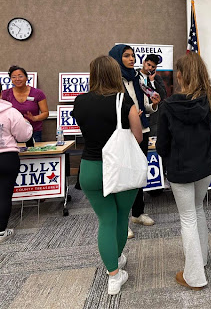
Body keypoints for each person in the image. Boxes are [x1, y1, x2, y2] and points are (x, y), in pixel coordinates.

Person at [156, 53, 211, 290]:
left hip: (180, 169)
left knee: (188, 217)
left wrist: (166, 158)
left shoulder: (168, 105)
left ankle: (194, 275)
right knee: (197, 211)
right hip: (204, 167)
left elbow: (162, 144)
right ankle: (201, 259)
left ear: (180, 75)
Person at [73, 55, 143, 295]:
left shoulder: (80, 101)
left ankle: (113, 273)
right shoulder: (125, 101)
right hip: (121, 167)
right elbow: (138, 136)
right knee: (121, 216)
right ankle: (116, 263)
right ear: (115, 74)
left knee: (106, 220)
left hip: (91, 169)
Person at [109, 45, 161, 238]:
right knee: (123, 176)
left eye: (133, 55)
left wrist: (153, 105)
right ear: (116, 58)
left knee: (139, 172)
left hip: (143, 129)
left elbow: (143, 106)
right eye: (126, 56)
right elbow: (111, 109)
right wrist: (128, 115)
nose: (132, 59)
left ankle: (138, 213)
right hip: (123, 132)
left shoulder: (137, 78)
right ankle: (121, 220)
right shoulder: (113, 81)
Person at [0, 96, 33, 243]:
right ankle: (1, 231)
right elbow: (23, 135)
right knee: (4, 195)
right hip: (6, 157)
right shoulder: (11, 112)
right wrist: (28, 125)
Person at [2, 66, 48, 143]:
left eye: (20, 76)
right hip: (11, 134)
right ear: (11, 80)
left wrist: (35, 118)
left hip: (34, 132)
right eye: (14, 77)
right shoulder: (5, 94)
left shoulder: (37, 93)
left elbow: (45, 113)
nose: (17, 79)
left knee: (33, 154)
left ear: (26, 78)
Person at [138, 53, 167, 136]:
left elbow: (163, 95)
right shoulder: (135, 75)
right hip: (139, 115)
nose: (150, 68)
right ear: (144, 62)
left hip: (153, 118)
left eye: (153, 67)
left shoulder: (157, 78)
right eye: (148, 64)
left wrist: (152, 81)